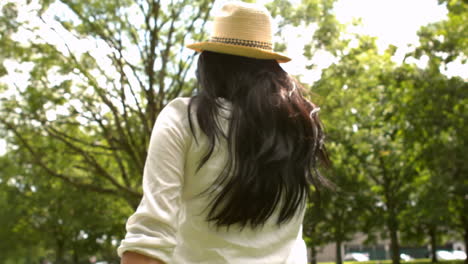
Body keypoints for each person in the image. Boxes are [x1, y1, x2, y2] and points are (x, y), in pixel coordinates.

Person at [118, 2, 330, 263]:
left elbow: (149, 237)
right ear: (271, 66)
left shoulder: (185, 118)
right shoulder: (298, 126)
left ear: (210, 63)